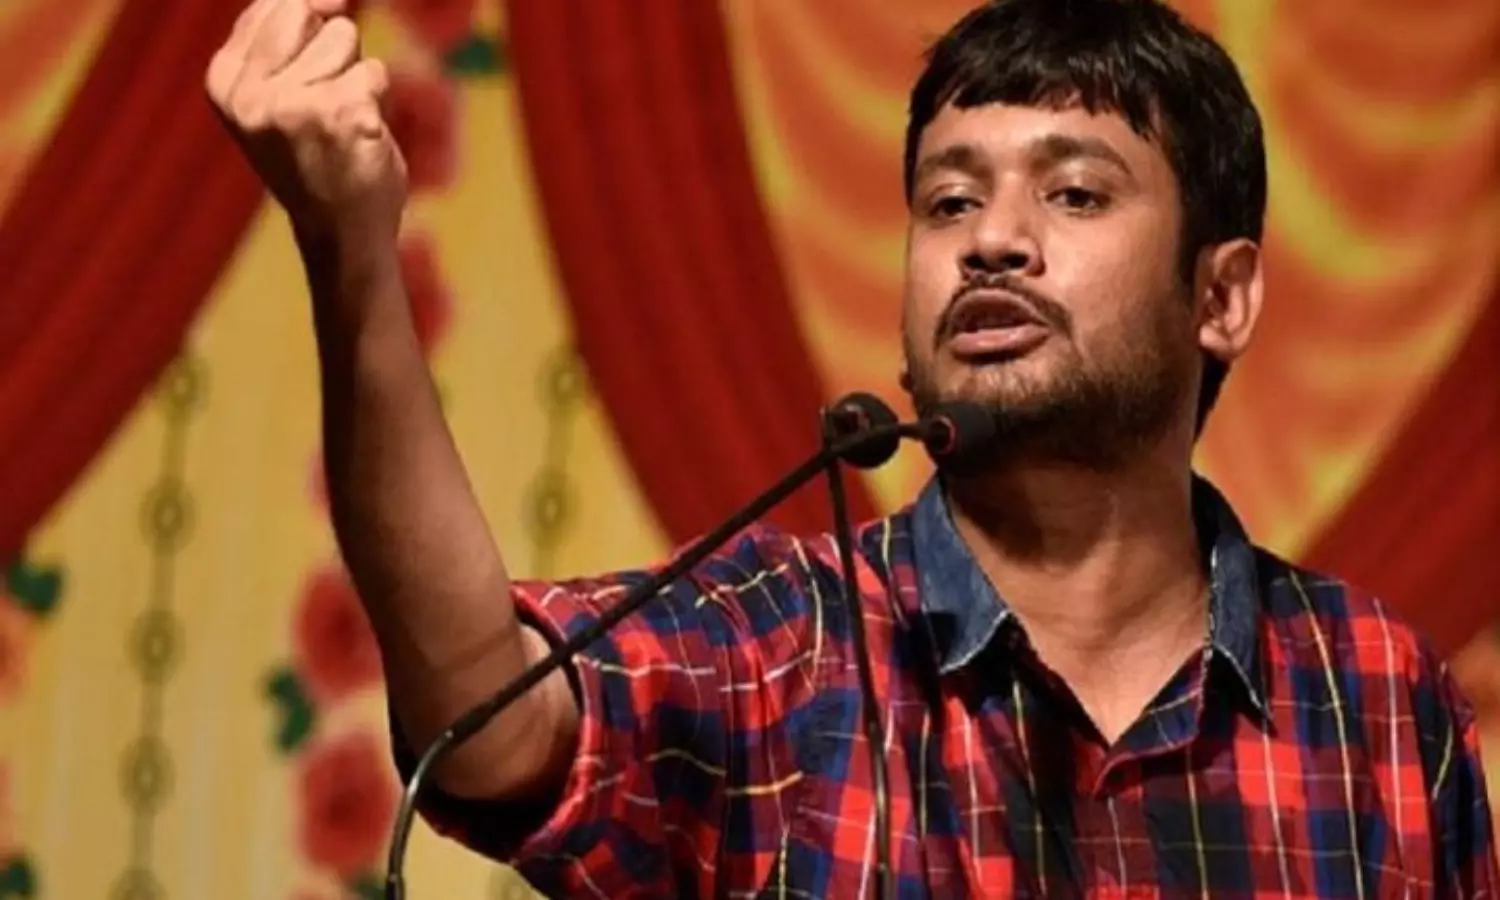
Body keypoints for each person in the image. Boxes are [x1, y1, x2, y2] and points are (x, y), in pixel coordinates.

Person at [205, 0, 1498, 895]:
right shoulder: (789, 643)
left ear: (1221, 295)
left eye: (1074, 192)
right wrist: (352, 250)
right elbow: (484, 714)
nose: (992, 241)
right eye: (949, 198)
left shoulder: (1377, 695)